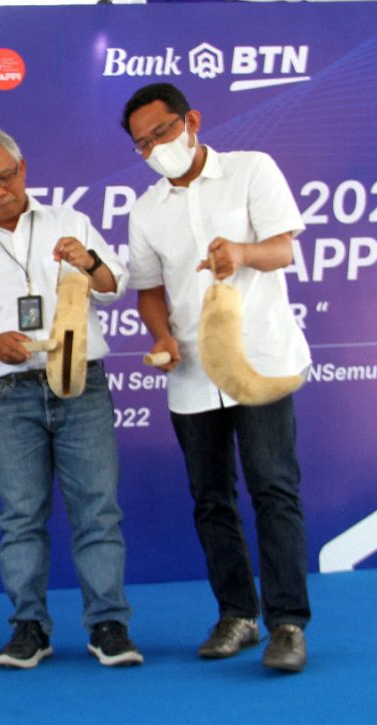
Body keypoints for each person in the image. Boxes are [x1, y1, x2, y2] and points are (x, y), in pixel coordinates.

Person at [0, 123, 142, 670]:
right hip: (7, 391)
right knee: (19, 515)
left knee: (98, 508)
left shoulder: (69, 222)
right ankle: (29, 627)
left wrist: (88, 262)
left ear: (23, 169)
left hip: (80, 382)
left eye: (5, 177)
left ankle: (108, 624)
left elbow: (116, 283)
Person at [122, 82, 311, 673]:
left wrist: (242, 253)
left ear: (191, 121)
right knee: (211, 500)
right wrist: (161, 336)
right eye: (142, 143)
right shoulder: (146, 209)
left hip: (259, 363)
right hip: (194, 376)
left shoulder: (251, 170)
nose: (155, 147)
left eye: (162, 132)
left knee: (274, 490)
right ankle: (237, 615)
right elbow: (149, 290)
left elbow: (283, 248)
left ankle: (286, 624)